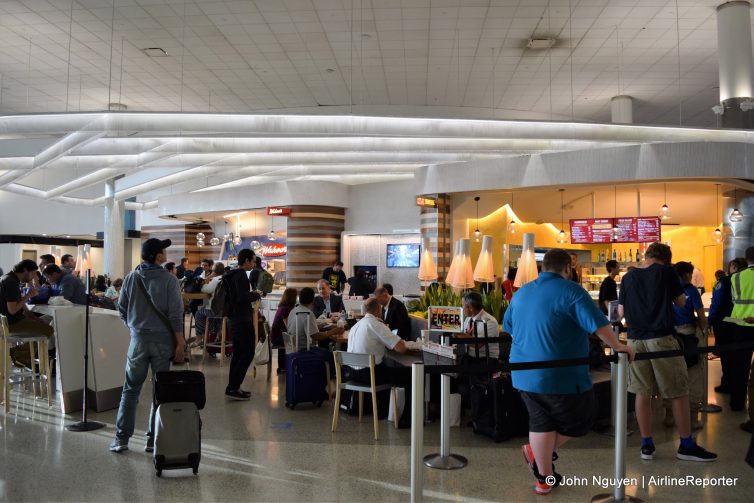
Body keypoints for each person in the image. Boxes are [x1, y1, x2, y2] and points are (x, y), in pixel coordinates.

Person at [503, 249, 633, 495]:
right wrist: (618, 345)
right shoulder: (572, 291)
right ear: (567, 268)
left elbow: (509, 325)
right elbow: (599, 325)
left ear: (543, 268)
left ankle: (544, 478)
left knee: (541, 421)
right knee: (581, 419)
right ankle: (534, 452)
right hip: (559, 374)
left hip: (522, 372)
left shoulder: (521, 293)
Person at [618, 242, 717, 462]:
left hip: (635, 341)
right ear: (666, 258)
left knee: (642, 393)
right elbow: (681, 303)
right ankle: (686, 445)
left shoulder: (628, 277)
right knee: (678, 392)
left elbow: (622, 311)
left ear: (647, 255)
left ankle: (647, 446)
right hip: (661, 339)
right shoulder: (666, 272)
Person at [110, 238, 184, 453]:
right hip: (163, 342)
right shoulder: (170, 280)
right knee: (159, 391)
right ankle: (153, 440)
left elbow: (121, 308)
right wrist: (180, 343)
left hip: (138, 341)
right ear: (158, 256)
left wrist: (134, 328)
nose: (166, 253)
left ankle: (121, 439)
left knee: (130, 390)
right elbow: (175, 315)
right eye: (163, 250)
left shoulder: (131, 278)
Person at [345, 297, 411, 427]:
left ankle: (383, 410)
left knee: (385, 368)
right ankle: (407, 418)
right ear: (378, 310)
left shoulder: (356, 326)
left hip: (352, 373)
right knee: (411, 375)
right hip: (369, 375)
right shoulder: (376, 324)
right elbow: (401, 348)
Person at [666, 261, 707, 431]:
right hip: (689, 335)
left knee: (670, 375)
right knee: (693, 375)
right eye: (690, 274)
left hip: (669, 336)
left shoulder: (666, 289)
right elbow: (700, 314)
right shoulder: (690, 290)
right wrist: (703, 330)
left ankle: (668, 416)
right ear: (686, 275)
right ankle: (693, 419)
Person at [223, 249, 259, 400]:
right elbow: (241, 297)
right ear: (246, 261)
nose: (255, 264)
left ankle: (234, 387)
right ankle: (233, 387)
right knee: (247, 353)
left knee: (238, 353)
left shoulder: (231, 274)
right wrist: (257, 294)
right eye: (253, 260)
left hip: (234, 319)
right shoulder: (241, 275)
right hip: (242, 319)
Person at [730, 247, 754, 433]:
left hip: (739, 325)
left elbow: (734, 300)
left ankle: (737, 403)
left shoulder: (736, 277)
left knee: (740, 367)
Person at [0, 259, 54, 339]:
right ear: (25, 270)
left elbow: (22, 304)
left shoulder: (7, 278)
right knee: (48, 330)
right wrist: (29, 295)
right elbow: (12, 310)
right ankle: (20, 351)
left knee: (40, 324)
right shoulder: (11, 282)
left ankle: (22, 350)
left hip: (6, 322)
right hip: (12, 323)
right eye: (33, 273)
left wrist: (34, 318)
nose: (33, 277)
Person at [287, 287, 344, 352]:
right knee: (331, 354)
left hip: (294, 349)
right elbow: (316, 337)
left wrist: (317, 326)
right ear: (312, 300)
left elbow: (303, 328)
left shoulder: (293, 311)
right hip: (305, 350)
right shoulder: (308, 314)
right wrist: (332, 332)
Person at [458, 291, 499, 360]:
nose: (462, 308)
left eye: (463, 305)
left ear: (470, 307)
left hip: (486, 360)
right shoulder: (468, 319)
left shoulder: (489, 321)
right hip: (468, 357)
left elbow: (478, 344)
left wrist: (458, 334)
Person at [193, 262, 225, 347]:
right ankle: (217, 332)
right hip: (226, 311)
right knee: (209, 312)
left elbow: (205, 290)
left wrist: (208, 279)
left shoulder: (216, 280)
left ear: (214, 271)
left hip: (215, 310)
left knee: (199, 313)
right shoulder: (226, 279)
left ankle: (200, 337)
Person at [270, 287, 298, 375]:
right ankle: (292, 365)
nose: (297, 299)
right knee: (299, 340)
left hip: (275, 336)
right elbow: (289, 327)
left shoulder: (282, 307)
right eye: (296, 296)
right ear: (292, 298)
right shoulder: (286, 309)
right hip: (278, 338)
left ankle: (282, 367)